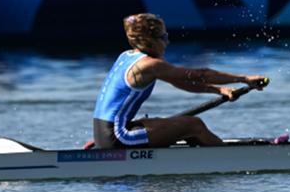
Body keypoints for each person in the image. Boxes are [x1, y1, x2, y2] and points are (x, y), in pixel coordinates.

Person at [93, 13, 267, 148]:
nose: (167, 42)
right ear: (150, 40)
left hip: (103, 134)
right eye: (164, 37)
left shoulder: (126, 56)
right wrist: (244, 79)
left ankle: (201, 154)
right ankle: (232, 161)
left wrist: (219, 90)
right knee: (194, 124)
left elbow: (179, 81)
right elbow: (202, 74)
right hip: (118, 137)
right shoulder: (149, 65)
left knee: (164, 123)